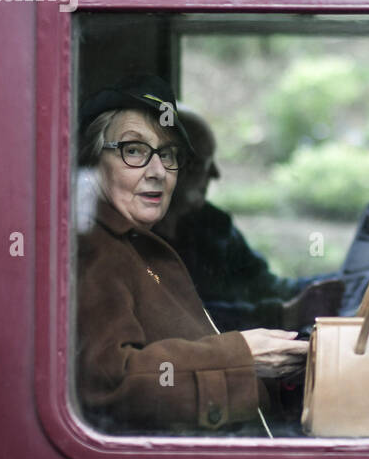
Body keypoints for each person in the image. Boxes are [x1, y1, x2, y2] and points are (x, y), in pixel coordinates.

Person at [75, 74, 307, 434]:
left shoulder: (138, 246)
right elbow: (109, 383)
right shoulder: (94, 251)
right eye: (134, 150)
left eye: (167, 154)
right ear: (93, 161)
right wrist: (240, 356)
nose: (158, 172)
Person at [153, 106, 344, 333]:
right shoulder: (138, 243)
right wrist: (284, 315)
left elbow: (265, 285)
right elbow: (186, 318)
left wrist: (348, 282)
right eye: (205, 162)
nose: (215, 173)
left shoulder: (212, 224)